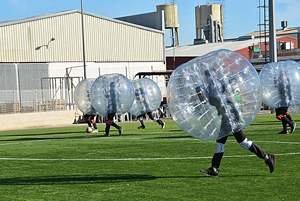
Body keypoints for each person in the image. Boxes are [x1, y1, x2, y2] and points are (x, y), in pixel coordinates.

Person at [199, 69, 275, 177]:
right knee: (221, 143)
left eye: (205, 76)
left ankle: (267, 157)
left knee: (243, 142)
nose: (205, 79)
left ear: (208, 77)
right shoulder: (216, 84)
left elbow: (216, 100)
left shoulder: (213, 85)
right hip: (228, 116)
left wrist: (205, 96)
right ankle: (214, 168)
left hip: (229, 117)